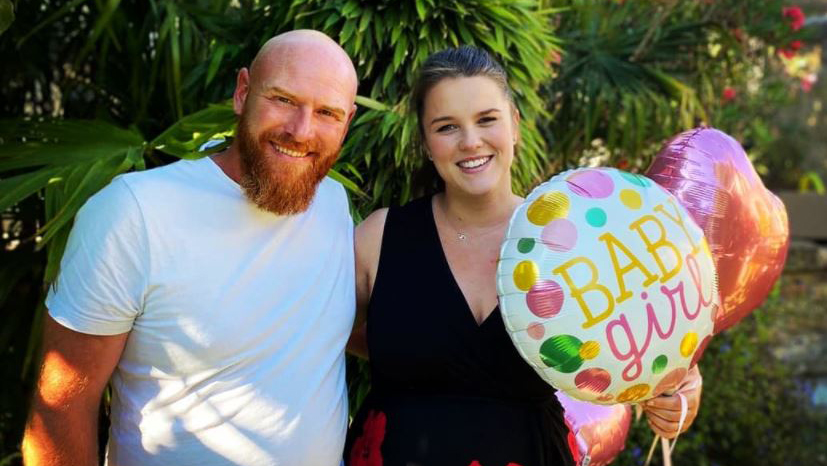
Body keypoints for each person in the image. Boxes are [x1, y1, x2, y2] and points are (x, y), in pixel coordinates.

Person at [345, 46, 702, 466]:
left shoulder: (579, 238)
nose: (470, 141)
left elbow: (647, 334)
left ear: (513, 124)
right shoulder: (379, 237)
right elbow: (321, 334)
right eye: (446, 127)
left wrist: (680, 388)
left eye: (486, 120)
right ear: (425, 142)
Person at [22, 30, 359, 466]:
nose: (301, 130)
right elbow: (61, 409)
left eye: (326, 112)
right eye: (284, 100)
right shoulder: (136, 211)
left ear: (346, 123)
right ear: (243, 92)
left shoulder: (333, 204)